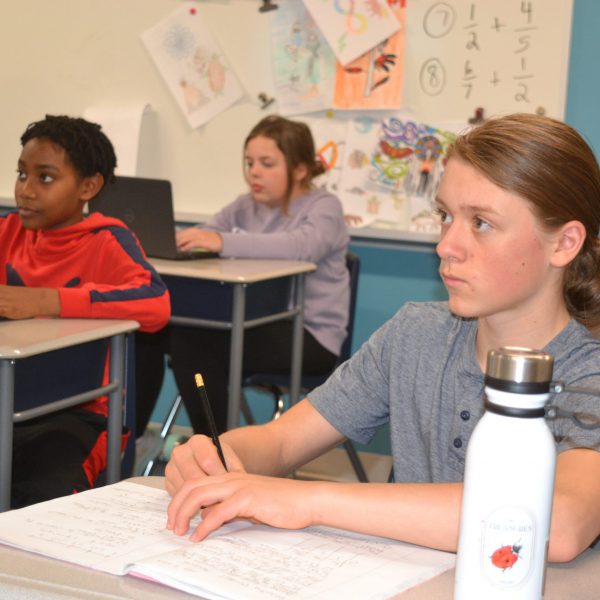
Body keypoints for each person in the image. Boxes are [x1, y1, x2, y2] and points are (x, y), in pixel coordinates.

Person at [164, 113, 600, 564]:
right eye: (445, 216)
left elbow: (560, 524)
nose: (446, 245)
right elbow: (280, 443)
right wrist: (221, 457)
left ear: (564, 243)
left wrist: (305, 501)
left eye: (482, 223)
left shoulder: (589, 373)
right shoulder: (416, 334)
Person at [135, 115, 349, 437]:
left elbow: (302, 246)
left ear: (300, 169)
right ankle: (128, 438)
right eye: (249, 162)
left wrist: (223, 241)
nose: (254, 172)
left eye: (267, 163)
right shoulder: (245, 205)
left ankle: (216, 450)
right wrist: (187, 240)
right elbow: (208, 232)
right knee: (148, 329)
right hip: (248, 325)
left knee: (194, 341)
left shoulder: (324, 207)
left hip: (309, 336)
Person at [0, 114, 170, 507]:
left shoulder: (106, 242)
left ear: (88, 186)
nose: (25, 190)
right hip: (12, 402)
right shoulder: (9, 232)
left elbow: (156, 304)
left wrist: (48, 300)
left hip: (81, 416)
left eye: (45, 178)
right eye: (21, 174)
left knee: (41, 501)